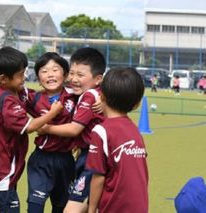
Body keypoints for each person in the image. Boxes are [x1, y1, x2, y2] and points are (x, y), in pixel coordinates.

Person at [0, 47, 63, 213]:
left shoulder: (12, 92)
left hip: (1, 163)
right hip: (1, 166)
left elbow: (33, 97)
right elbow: (30, 127)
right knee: (9, 208)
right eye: (20, 75)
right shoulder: (9, 101)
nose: (24, 77)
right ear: (3, 79)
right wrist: (53, 113)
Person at [39, 47, 106, 213]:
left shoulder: (89, 95)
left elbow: (75, 129)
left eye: (80, 75)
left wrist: (46, 128)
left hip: (92, 157)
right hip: (89, 154)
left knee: (72, 209)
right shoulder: (93, 92)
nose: (74, 79)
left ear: (98, 79)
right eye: (72, 73)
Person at [86, 67, 148, 213]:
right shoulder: (134, 129)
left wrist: (91, 209)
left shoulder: (101, 131)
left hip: (114, 207)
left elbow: (98, 177)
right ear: (137, 104)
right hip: (140, 207)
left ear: (102, 96)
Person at [26, 52, 76, 213]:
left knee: (61, 205)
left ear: (65, 75)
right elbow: (7, 94)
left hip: (66, 160)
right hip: (41, 160)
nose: (50, 74)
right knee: (35, 203)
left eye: (55, 70)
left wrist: (98, 98)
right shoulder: (33, 98)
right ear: (38, 78)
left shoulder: (76, 97)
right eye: (44, 71)